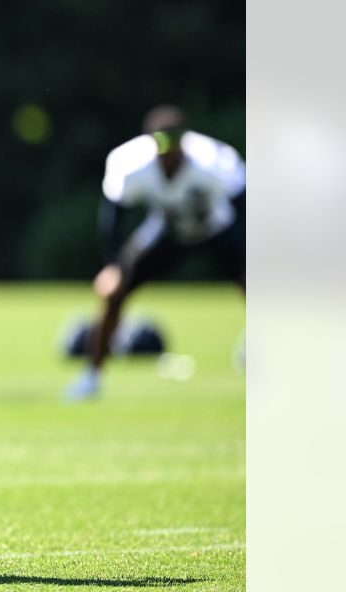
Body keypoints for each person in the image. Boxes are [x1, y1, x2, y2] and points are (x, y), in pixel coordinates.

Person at [67, 104, 245, 400]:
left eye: (175, 142)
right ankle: (91, 377)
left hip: (217, 227)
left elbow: (243, 207)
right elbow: (115, 215)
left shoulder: (214, 162)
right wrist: (113, 265)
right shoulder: (132, 164)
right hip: (168, 230)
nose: (169, 152)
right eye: (162, 144)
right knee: (114, 293)